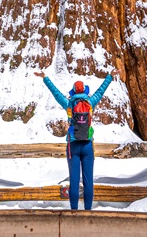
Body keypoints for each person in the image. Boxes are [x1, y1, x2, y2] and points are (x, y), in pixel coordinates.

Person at [35, 69, 114, 211]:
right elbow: (101, 91)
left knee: (74, 180)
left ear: (73, 91)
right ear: (84, 90)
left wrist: (45, 78)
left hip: (73, 146)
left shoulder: (69, 104)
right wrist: (110, 76)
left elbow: (56, 93)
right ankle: (88, 211)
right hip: (88, 145)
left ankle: (74, 212)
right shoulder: (90, 103)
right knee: (88, 181)